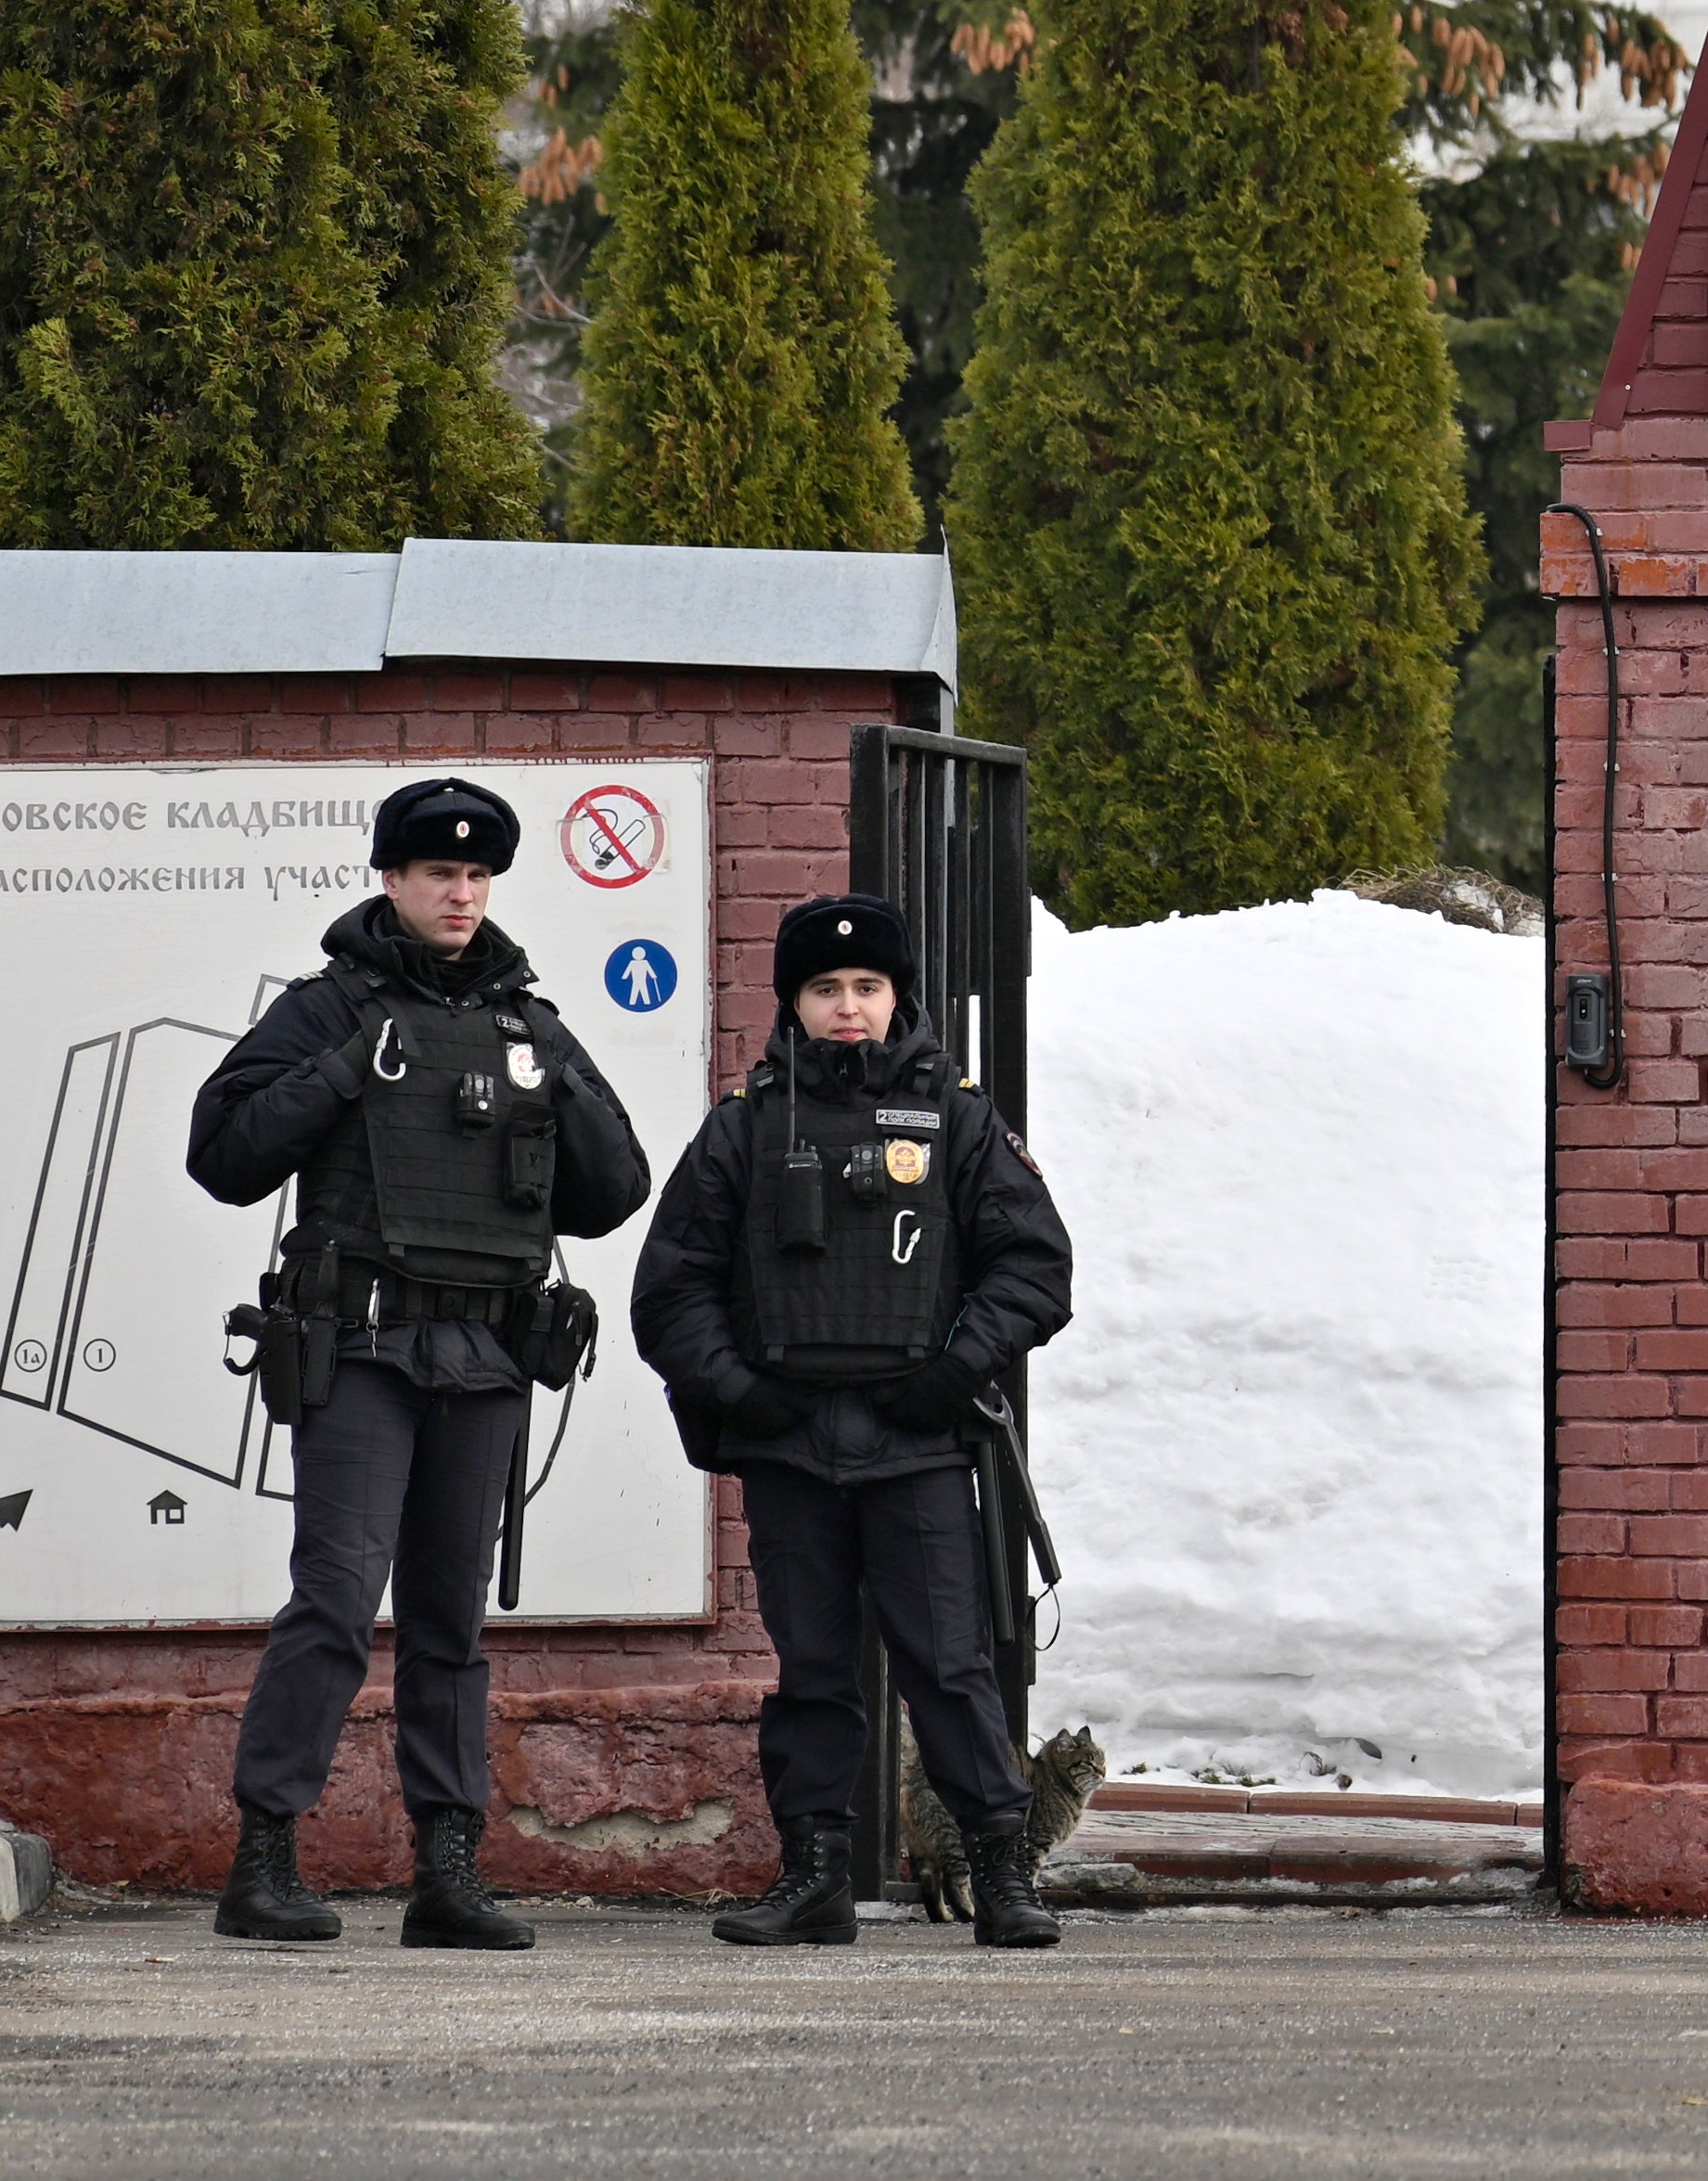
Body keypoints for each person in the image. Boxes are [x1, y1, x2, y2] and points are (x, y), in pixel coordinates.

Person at [187, 776, 651, 1951]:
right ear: (389, 880)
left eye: (478, 874)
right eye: (438, 872)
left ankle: (446, 1870)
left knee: (449, 1621)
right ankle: (264, 1859)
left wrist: (553, 1077)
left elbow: (615, 1191)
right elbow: (225, 1153)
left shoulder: (529, 1021)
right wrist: (349, 1066)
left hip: (486, 1350)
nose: (460, 891)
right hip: (362, 1344)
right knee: (337, 1600)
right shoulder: (327, 1006)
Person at [630, 894, 1074, 1949]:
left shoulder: (957, 1117)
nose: (846, 1006)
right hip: (790, 1446)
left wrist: (954, 1366)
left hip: (916, 1444)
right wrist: (740, 1389)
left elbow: (1036, 1267)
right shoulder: (742, 1125)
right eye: (824, 988)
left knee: (949, 1666)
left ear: (896, 997)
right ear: (792, 1000)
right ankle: (814, 1876)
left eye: (866, 987)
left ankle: (1001, 1875)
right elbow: (670, 1288)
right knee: (814, 1671)